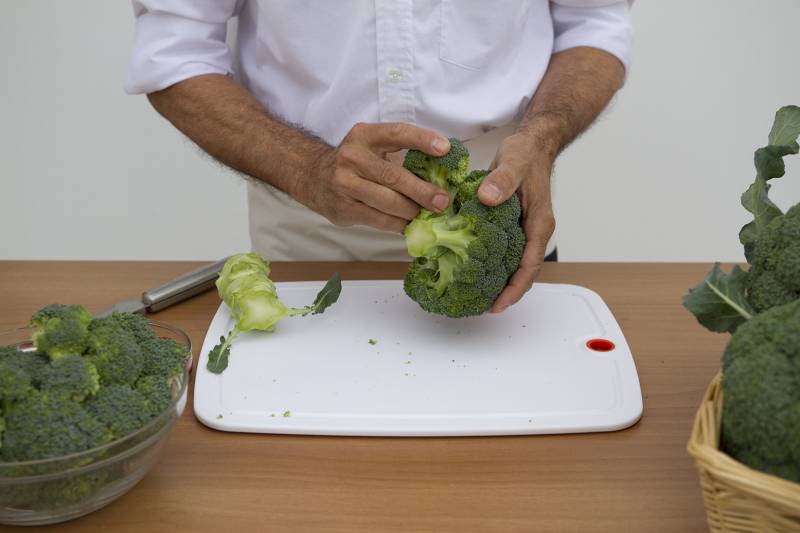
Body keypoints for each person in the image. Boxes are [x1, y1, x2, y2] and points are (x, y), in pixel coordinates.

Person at [126, 1, 632, 313]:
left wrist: (542, 137)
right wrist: (308, 169)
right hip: (303, 227)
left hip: (504, 208)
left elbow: (593, 21)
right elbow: (174, 51)